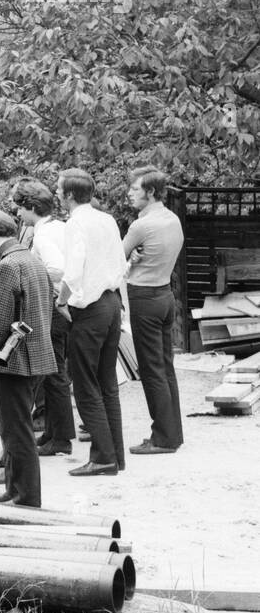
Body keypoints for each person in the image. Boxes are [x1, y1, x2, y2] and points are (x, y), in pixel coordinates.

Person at [0, 209, 57, 507]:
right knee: (16, 428)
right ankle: (15, 488)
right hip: (37, 354)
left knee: (15, 431)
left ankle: (25, 495)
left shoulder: (7, 265)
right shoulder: (32, 259)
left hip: (13, 360)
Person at [58, 169, 129, 476]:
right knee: (107, 384)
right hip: (112, 303)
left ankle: (102, 457)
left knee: (85, 385)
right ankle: (114, 455)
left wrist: (60, 300)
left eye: (59, 190)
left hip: (90, 309)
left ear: (69, 195)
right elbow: (119, 263)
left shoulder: (75, 223)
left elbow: (73, 272)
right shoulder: (107, 219)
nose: (57, 194)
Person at [123, 166, 186, 454]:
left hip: (144, 297)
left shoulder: (141, 226)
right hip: (164, 294)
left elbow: (115, 259)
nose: (130, 193)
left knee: (151, 370)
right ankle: (173, 433)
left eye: (135, 189)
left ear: (150, 192)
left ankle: (162, 437)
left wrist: (132, 261)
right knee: (165, 367)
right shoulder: (172, 219)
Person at [11, 178, 74, 456]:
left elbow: (57, 268)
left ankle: (59, 438)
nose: (18, 214)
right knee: (55, 373)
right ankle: (54, 433)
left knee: (54, 373)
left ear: (31, 207)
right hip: (64, 307)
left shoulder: (43, 234)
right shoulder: (60, 227)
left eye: (20, 208)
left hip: (52, 308)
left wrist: (31, 276)